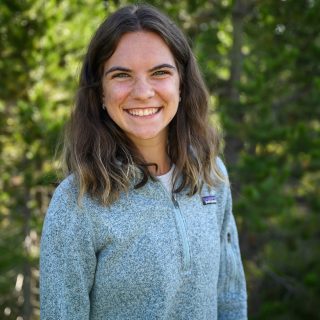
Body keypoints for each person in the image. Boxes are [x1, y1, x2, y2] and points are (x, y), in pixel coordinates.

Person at [40, 4, 247, 320]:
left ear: (182, 82)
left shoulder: (212, 174)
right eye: (122, 75)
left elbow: (229, 298)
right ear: (100, 94)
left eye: (160, 72)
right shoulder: (76, 203)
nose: (143, 92)